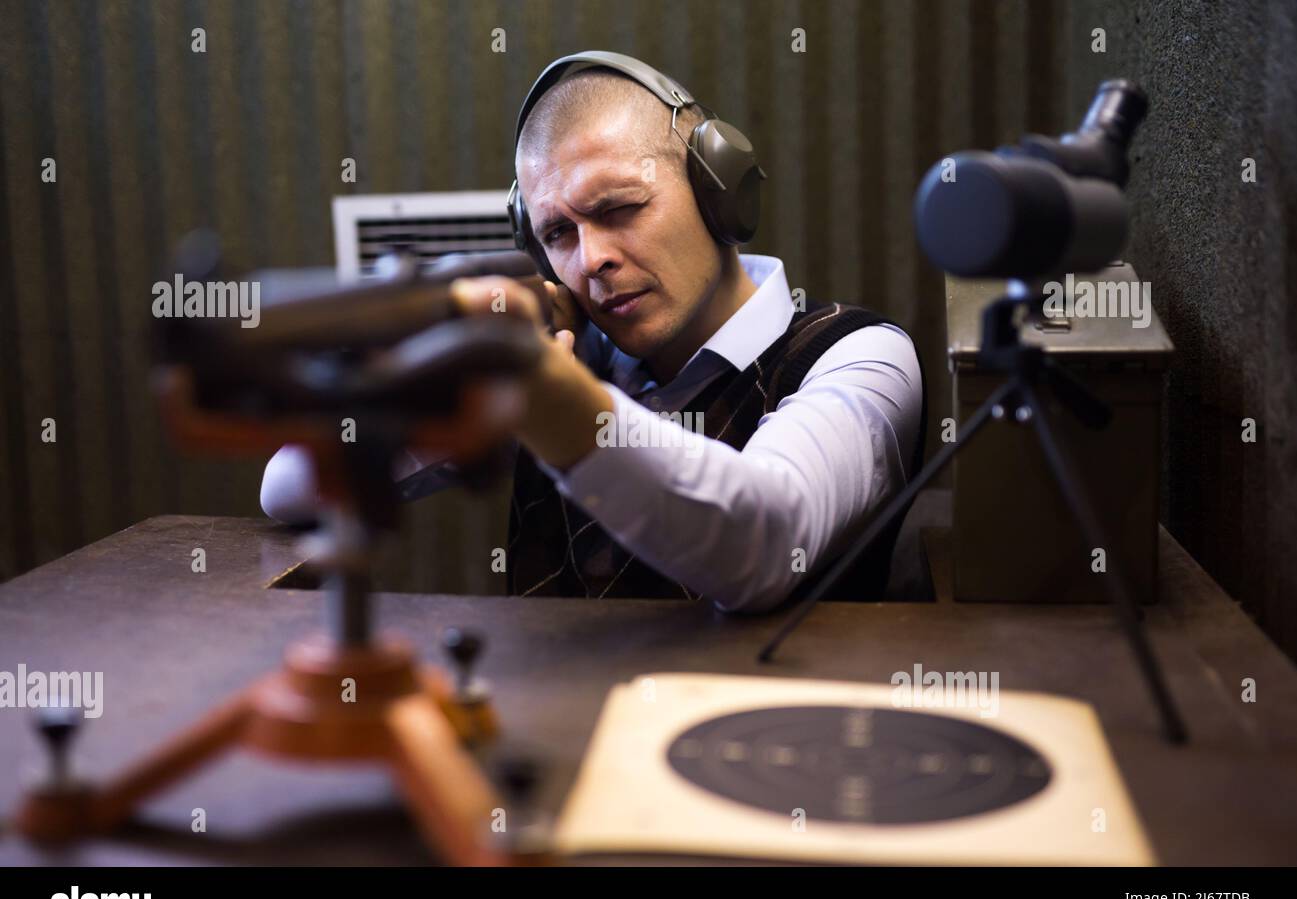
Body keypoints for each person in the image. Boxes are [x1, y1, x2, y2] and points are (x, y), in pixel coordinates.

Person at [262, 52, 924, 613]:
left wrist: (549, 396)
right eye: (558, 233)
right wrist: (433, 370)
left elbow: (766, 544)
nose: (592, 258)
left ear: (717, 190)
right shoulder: (554, 352)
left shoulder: (862, 356)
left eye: (619, 208)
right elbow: (288, 488)